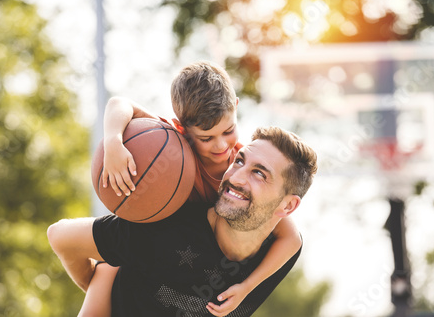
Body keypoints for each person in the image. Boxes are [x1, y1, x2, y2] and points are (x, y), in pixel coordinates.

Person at [84, 61, 301, 316]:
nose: (221, 146)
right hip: (147, 249)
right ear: (181, 128)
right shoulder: (170, 150)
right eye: (206, 138)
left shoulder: (241, 169)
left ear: (236, 108)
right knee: (109, 266)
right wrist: (113, 142)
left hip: (188, 267)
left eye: (228, 130)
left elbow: (292, 239)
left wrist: (247, 287)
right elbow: (119, 104)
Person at [47, 125, 318, 316]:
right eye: (239, 161)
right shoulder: (163, 229)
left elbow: (292, 238)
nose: (235, 177)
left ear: (288, 206)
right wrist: (94, 281)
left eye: (259, 174)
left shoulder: (279, 251)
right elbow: (59, 236)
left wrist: (247, 286)